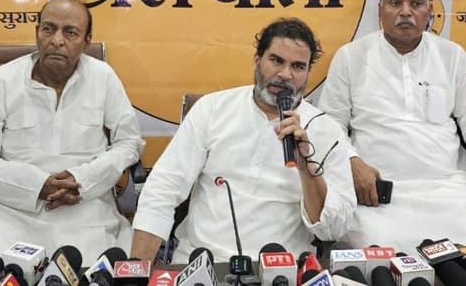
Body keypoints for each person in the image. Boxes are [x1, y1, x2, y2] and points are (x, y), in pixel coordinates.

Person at [131, 18, 356, 263]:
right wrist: (136, 270)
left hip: (282, 267)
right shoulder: (212, 109)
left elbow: (335, 229)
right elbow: (163, 188)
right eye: (276, 60)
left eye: (298, 66)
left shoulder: (326, 130)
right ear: (257, 61)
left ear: (307, 74)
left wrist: (307, 169)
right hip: (202, 261)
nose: (285, 74)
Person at [317, 0, 466, 251]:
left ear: (429, 12)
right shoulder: (350, 56)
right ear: (380, 10)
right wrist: (351, 161)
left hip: (449, 188)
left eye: (416, 4)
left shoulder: (451, 56)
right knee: (377, 251)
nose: (405, 11)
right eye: (395, 3)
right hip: (378, 192)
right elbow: (329, 124)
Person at [0, 0, 145, 263]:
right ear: (37, 32)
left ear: (87, 41)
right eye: (48, 29)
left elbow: (129, 143)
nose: (57, 40)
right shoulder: (4, 79)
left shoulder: (103, 77)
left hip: (87, 211)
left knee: (107, 272)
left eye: (70, 32)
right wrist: (36, 185)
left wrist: (84, 179)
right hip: (8, 213)